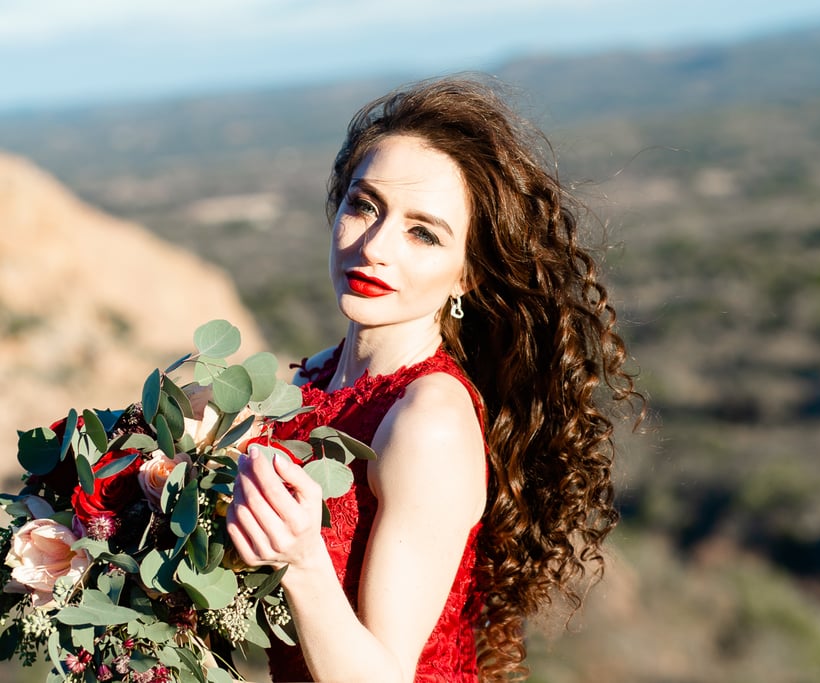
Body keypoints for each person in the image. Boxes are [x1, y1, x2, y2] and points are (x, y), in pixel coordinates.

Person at [226, 76, 642, 682]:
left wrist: (301, 561)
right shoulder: (312, 381)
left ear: (466, 275)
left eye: (423, 233)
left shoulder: (429, 423)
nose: (375, 246)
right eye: (364, 205)